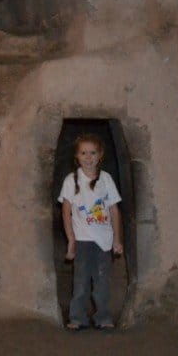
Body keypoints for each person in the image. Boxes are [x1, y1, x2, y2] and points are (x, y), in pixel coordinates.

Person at [58, 134, 124, 330]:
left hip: (104, 240)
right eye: (83, 153)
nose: (88, 157)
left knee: (102, 281)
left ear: (100, 155)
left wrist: (117, 239)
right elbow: (66, 211)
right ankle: (77, 317)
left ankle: (103, 317)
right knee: (81, 281)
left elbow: (114, 209)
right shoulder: (71, 180)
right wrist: (71, 240)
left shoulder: (106, 179)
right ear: (77, 157)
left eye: (92, 153)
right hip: (82, 239)